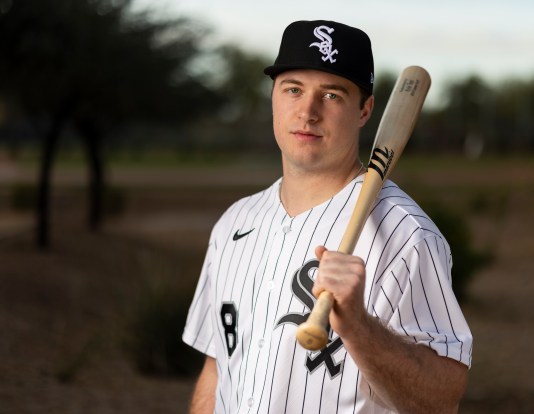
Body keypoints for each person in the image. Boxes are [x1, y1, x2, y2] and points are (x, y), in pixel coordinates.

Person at [183, 19, 473, 413]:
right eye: (293, 89)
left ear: (365, 110)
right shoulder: (235, 223)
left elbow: (441, 399)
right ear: (273, 97)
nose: (308, 112)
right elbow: (217, 370)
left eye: (332, 95)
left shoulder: (406, 235)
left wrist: (358, 327)